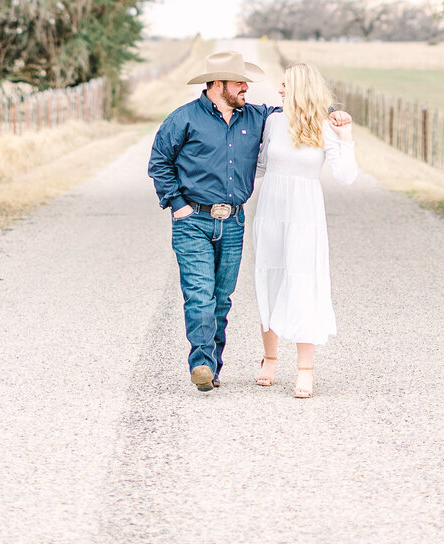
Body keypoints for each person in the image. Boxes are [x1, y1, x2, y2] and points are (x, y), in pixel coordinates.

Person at [147, 49, 351, 392]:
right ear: (217, 84)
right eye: (239, 82)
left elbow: (296, 112)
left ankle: (213, 368)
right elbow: (160, 162)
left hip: (233, 222)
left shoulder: (256, 117)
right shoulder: (183, 118)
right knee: (200, 294)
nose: (247, 87)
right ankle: (201, 362)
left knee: (222, 298)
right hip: (192, 219)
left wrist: (333, 114)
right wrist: (177, 204)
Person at [252, 62, 357, 399]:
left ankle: (305, 370)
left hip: (305, 213)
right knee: (269, 277)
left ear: (300, 88)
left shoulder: (326, 127)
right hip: (270, 211)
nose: (279, 90)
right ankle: (269, 358)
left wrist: (345, 138)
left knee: (301, 281)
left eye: (285, 85)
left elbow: (345, 176)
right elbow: (261, 165)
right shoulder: (273, 122)